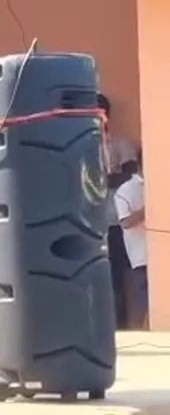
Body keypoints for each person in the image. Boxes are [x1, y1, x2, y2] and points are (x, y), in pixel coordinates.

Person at [98, 93, 139, 327]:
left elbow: (131, 176)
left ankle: (119, 326)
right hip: (89, 222)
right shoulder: (79, 147)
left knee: (117, 276)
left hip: (114, 219)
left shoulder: (121, 145)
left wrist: (104, 180)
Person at [114, 149, 147, 330]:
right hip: (141, 255)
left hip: (161, 253)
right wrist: (149, 210)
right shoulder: (125, 191)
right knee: (141, 299)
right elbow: (125, 222)